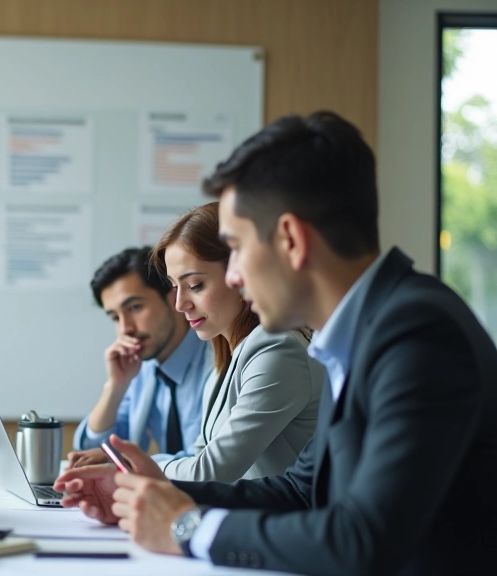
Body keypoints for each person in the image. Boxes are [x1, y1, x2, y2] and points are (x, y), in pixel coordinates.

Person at [55, 111, 497, 575]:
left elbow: (364, 539)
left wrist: (188, 527)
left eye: (238, 248)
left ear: (290, 239)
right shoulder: (362, 332)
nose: (235, 275)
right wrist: (150, 491)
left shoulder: (416, 332)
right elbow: (300, 490)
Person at [144, 202, 324, 481]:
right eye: (174, 287)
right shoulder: (223, 358)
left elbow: (209, 473)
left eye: (195, 286)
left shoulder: (277, 349)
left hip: (279, 521)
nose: (180, 304)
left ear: (239, 274)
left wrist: (144, 467)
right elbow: (200, 458)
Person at [70, 248, 212, 466]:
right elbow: (92, 450)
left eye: (135, 307)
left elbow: (208, 462)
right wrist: (115, 386)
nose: (125, 328)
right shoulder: (142, 368)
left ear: (174, 296)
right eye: (115, 317)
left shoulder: (217, 359)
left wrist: (129, 461)